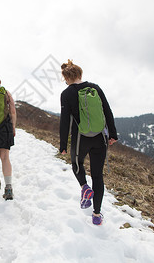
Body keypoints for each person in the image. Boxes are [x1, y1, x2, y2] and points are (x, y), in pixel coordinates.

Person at [59, 60, 118, 225]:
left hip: (80, 138)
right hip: (100, 137)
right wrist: (112, 134)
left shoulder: (67, 93)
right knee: (98, 176)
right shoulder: (95, 88)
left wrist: (63, 144)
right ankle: (97, 215)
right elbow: (107, 110)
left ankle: (84, 187)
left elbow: (65, 121)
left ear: (67, 77)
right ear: (80, 74)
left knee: (77, 163)